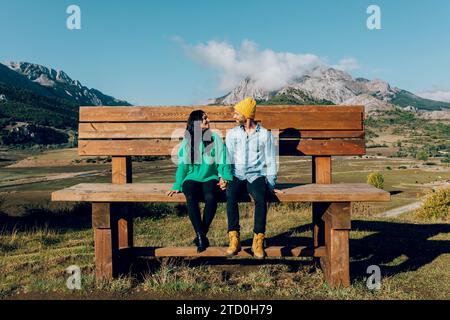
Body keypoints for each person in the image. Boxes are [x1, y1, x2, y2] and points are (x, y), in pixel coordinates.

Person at [167, 110, 232, 253]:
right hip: (191, 177)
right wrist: (177, 184)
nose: (208, 120)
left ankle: (201, 234)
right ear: (196, 122)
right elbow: (183, 166)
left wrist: (225, 177)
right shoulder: (188, 140)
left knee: (211, 197)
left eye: (207, 117)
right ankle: (201, 236)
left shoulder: (214, 138)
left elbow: (223, 160)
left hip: (210, 177)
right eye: (204, 118)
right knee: (190, 196)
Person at [225, 97, 283, 259]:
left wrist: (270, 185)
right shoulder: (232, 134)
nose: (234, 117)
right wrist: (224, 177)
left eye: (236, 113)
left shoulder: (265, 135)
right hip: (236, 174)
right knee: (230, 195)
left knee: (260, 197)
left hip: (255, 175)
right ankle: (234, 237)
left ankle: (258, 239)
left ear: (247, 115)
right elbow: (227, 159)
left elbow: (271, 160)